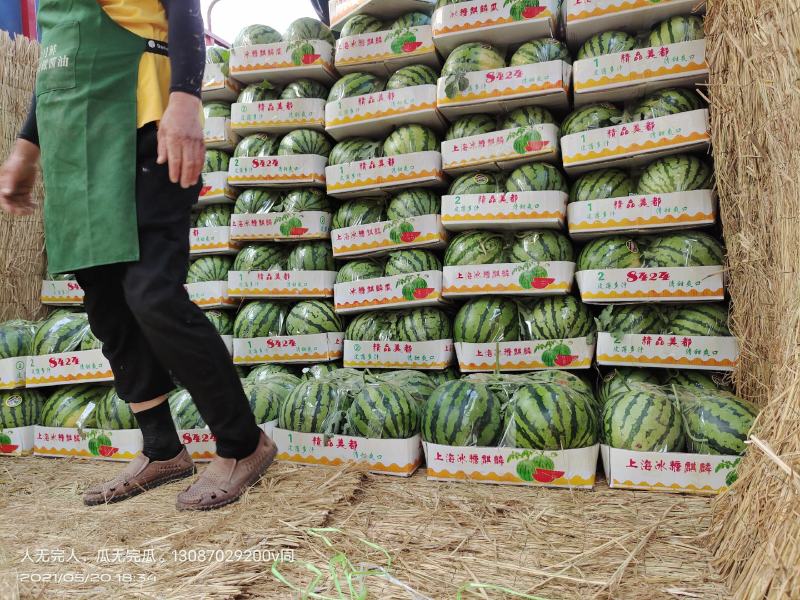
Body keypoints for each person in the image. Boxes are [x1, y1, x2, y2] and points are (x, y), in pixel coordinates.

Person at [0, 0, 276, 511]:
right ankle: (162, 449)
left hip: (146, 123)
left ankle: (242, 443)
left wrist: (186, 99)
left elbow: (184, 9)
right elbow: (58, 62)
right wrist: (25, 148)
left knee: (152, 294)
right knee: (106, 305)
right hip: (73, 145)